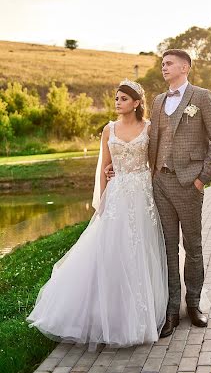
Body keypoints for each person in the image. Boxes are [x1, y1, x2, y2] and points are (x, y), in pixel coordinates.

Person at [27, 80, 168, 349]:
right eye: (116, 98)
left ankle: (141, 315)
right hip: (117, 195)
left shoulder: (149, 128)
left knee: (140, 252)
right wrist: (103, 200)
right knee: (111, 252)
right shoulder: (108, 129)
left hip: (142, 196)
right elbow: (104, 165)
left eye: (124, 99)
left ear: (137, 103)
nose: (118, 102)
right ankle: (108, 314)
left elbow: (154, 163)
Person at [106, 49, 211, 337]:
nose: (164, 68)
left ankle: (194, 304)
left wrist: (202, 179)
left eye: (169, 63)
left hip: (189, 183)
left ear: (184, 67)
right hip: (159, 184)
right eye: (162, 64)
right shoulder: (158, 101)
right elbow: (149, 142)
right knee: (167, 248)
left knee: (192, 246)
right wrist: (121, 167)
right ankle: (172, 310)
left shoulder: (202, 96)